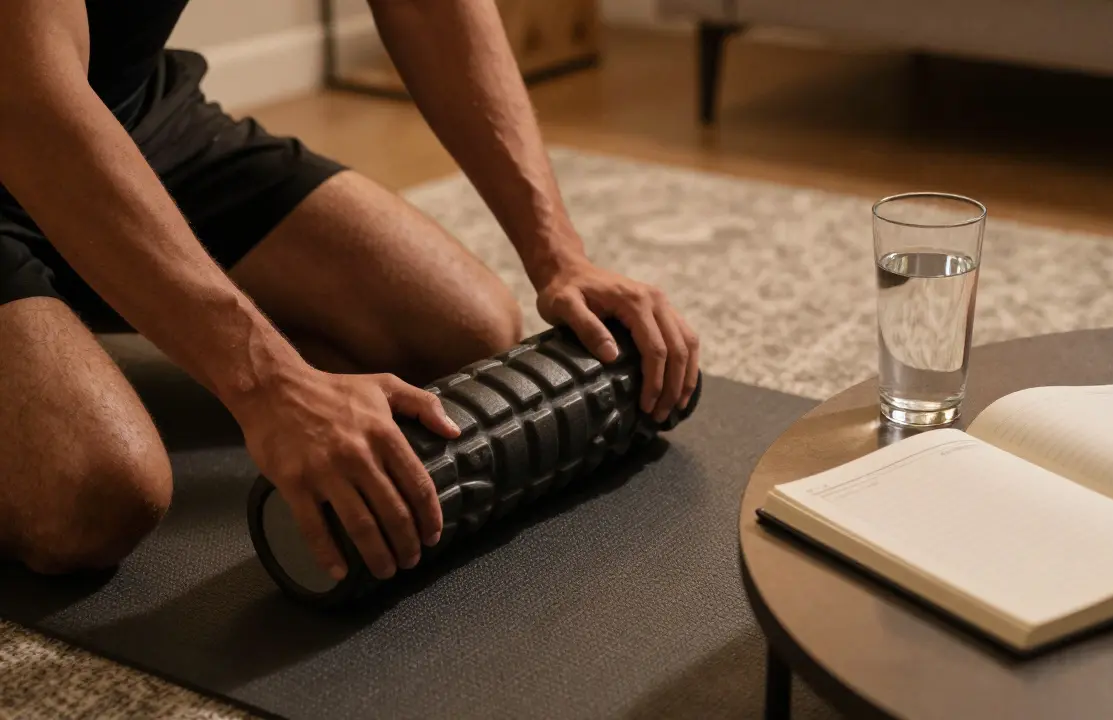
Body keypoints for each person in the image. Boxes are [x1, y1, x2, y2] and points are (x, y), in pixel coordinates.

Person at [0, 1, 700, 583]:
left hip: (126, 114)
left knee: (471, 329)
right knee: (93, 499)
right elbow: (26, 102)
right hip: (25, 104)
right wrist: (267, 383)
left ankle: (103, 294)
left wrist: (560, 257)